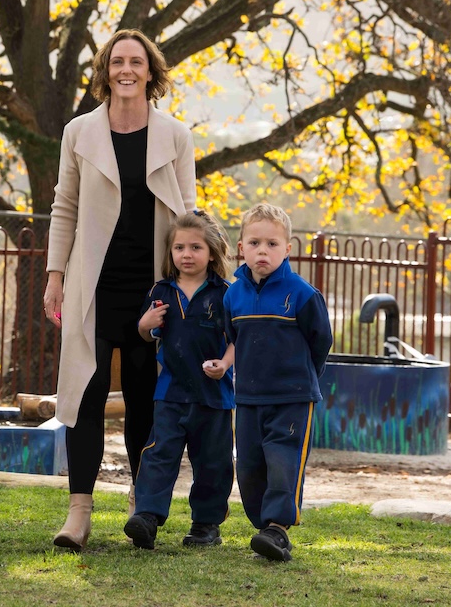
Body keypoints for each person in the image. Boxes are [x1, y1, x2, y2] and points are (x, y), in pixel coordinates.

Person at [44, 28, 196, 551]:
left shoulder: (175, 135)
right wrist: (55, 275)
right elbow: (64, 205)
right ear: (105, 72)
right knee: (84, 397)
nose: (126, 70)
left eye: (136, 61)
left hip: (151, 289)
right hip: (92, 284)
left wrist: (188, 284)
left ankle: (141, 504)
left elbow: (189, 215)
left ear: (151, 72)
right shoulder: (78, 132)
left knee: (143, 399)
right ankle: (79, 512)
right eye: (116, 62)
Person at [223, 203, 333, 561]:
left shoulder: (302, 294)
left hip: (292, 398)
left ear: (287, 248)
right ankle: (265, 527)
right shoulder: (233, 295)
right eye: (254, 243)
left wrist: (302, 379)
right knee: (249, 466)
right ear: (241, 247)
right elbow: (233, 338)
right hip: (248, 398)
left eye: (272, 244)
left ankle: (278, 529)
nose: (263, 251)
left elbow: (320, 341)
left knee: (283, 462)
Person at [123, 210, 235, 550]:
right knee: (158, 455)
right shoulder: (160, 291)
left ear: (212, 252)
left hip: (214, 395)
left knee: (213, 463)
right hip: (170, 393)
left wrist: (225, 364)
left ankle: (206, 525)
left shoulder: (226, 294)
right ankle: (147, 517)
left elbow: (238, 339)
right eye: (179, 248)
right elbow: (147, 333)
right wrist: (144, 325)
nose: (187, 254)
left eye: (196, 248)